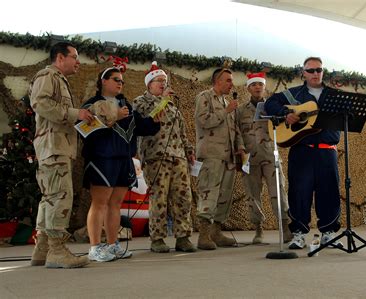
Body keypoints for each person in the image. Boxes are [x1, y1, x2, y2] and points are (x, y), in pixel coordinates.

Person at [82, 66, 161, 262]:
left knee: (115, 205)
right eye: (116, 79)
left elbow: (141, 127)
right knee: (99, 203)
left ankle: (112, 244)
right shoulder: (91, 105)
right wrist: (114, 117)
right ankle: (94, 247)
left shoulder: (125, 104)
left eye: (122, 80)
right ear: (103, 81)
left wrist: (155, 120)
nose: (120, 83)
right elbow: (84, 131)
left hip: (123, 159)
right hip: (102, 159)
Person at [264, 57, 342, 249]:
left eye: (319, 70)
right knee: (299, 192)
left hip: (327, 152)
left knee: (329, 192)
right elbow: (270, 103)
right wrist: (285, 113)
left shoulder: (334, 95)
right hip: (302, 151)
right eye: (311, 70)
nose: (316, 73)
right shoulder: (294, 94)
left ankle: (328, 233)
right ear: (303, 73)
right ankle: (298, 234)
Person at [29, 42, 93, 268]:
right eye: (74, 57)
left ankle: (42, 250)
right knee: (61, 196)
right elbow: (40, 103)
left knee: (50, 198)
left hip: (56, 146)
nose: (78, 62)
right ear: (60, 57)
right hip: (53, 146)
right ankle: (57, 250)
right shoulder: (47, 76)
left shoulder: (59, 80)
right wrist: (76, 114)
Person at [133, 62, 197, 253]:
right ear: (149, 84)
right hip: (155, 157)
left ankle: (183, 237)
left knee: (183, 198)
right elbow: (149, 121)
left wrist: (189, 150)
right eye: (159, 81)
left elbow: (182, 131)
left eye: (165, 81)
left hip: (178, 157)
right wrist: (161, 101)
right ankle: (157, 238)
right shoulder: (140, 102)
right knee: (158, 199)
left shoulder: (172, 106)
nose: (163, 84)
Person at [235, 72, 292, 244]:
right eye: (254, 85)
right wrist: (240, 150)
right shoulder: (241, 111)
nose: (257, 87)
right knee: (252, 195)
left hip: (270, 155)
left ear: (264, 87)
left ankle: (285, 227)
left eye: (260, 84)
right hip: (250, 158)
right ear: (248, 88)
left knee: (278, 191)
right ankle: (258, 229)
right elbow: (236, 132)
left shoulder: (272, 107)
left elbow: (284, 128)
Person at [194, 68, 246, 250]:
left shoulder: (227, 102)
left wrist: (240, 147)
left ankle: (216, 232)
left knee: (224, 195)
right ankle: (203, 235)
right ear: (217, 81)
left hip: (228, 156)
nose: (232, 83)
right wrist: (226, 111)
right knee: (209, 193)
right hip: (211, 155)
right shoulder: (205, 97)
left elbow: (234, 128)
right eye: (228, 80)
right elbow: (203, 121)